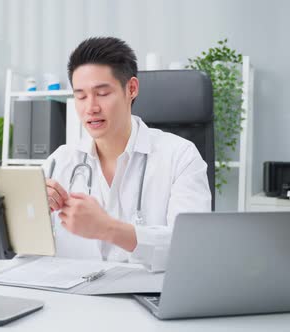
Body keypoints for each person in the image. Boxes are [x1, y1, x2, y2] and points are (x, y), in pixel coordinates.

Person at [43, 37, 211, 271]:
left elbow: (192, 246)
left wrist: (107, 228)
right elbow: (28, 250)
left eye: (102, 93)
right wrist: (30, 213)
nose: (90, 107)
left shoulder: (180, 156)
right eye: (80, 96)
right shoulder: (59, 162)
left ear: (131, 88)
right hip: (76, 300)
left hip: (148, 299)